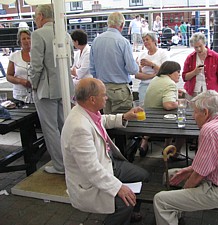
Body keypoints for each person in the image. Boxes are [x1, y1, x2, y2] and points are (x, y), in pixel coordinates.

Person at [153, 90, 218, 225]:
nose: (193, 116)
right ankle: (175, 214)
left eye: (195, 112)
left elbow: (198, 175)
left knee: (161, 200)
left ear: (205, 113)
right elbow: (207, 163)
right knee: (169, 175)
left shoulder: (209, 130)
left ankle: (174, 210)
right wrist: (187, 170)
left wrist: (184, 193)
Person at [61, 78, 150, 225]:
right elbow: (91, 170)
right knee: (126, 202)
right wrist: (118, 188)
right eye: (104, 95)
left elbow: (101, 120)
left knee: (142, 176)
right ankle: (124, 214)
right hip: (90, 180)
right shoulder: (79, 127)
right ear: (92, 99)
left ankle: (130, 214)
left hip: (108, 164)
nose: (106, 97)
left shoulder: (85, 111)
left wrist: (124, 116)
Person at [30, 4, 74, 174]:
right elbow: (69, 61)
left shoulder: (38, 34)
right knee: (65, 126)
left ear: (41, 16)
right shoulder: (66, 34)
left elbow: (36, 66)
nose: (35, 20)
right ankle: (71, 162)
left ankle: (60, 165)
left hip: (46, 89)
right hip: (65, 86)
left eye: (35, 16)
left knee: (50, 128)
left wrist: (34, 84)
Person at [90, 12, 139, 114]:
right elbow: (132, 69)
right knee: (123, 121)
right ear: (121, 25)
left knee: (107, 121)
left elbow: (92, 68)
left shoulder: (96, 40)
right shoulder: (123, 42)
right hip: (119, 90)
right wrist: (137, 65)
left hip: (102, 89)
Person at [136, 31, 169, 157]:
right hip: (145, 84)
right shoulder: (142, 54)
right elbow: (138, 74)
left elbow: (166, 70)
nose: (145, 42)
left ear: (154, 40)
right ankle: (145, 139)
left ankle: (167, 141)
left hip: (160, 84)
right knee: (144, 111)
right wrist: (149, 74)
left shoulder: (162, 53)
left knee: (164, 110)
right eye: (144, 40)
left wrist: (151, 64)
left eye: (147, 39)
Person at [144, 61, 185, 161]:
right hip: (159, 121)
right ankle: (175, 154)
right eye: (178, 71)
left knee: (172, 118)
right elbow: (168, 105)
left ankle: (166, 150)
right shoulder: (170, 84)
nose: (179, 74)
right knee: (184, 128)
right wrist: (181, 102)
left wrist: (175, 94)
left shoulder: (156, 79)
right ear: (170, 72)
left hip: (150, 116)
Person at [182, 32, 218, 99]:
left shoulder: (215, 56)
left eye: (200, 46)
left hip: (211, 92)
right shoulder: (190, 58)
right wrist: (194, 72)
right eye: (196, 47)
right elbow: (184, 77)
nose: (198, 49)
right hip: (193, 92)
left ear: (204, 44)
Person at [6, 30, 33, 104]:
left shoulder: (38, 54)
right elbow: (8, 76)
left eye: (28, 38)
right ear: (19, 42)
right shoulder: (14, 56)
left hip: (36, 96)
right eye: (24, 39)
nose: (27, 40)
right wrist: (21, 81)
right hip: (20, 96)